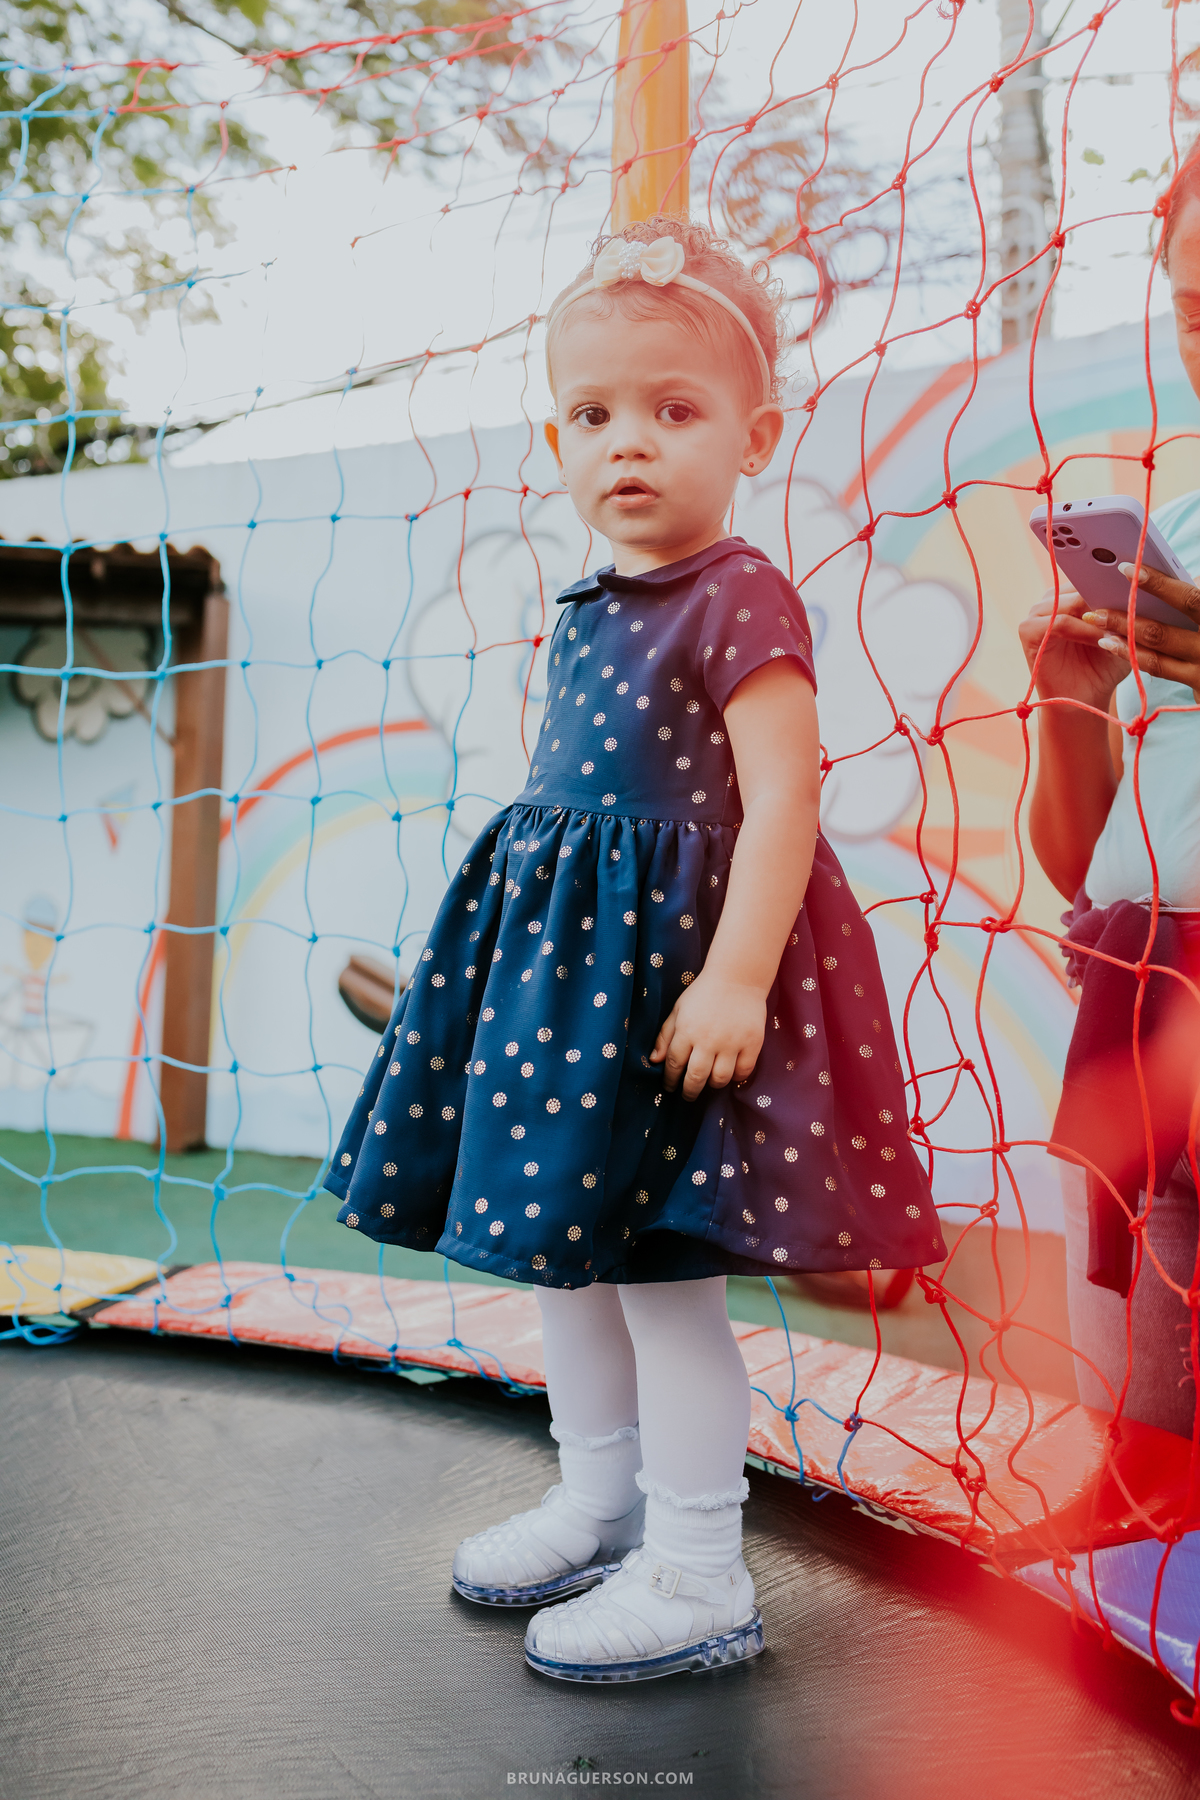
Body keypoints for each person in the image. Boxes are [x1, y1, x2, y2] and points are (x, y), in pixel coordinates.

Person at [326, 216, 943, 1682]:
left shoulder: (738, 593)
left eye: (674, 410)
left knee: (663, 1285)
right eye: (595, 416)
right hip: (572, 998)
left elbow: (783, 800)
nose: (631, 444)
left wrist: (733, 980)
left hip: (674, 998)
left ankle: (698, 1565)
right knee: (572, 1268)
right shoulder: (588, 607)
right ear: (558, 439)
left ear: (754, 435)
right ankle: (598, 1499)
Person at [1020, 148, 1200, 1439]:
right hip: (1144, 1009)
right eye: (1195, 308)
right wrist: (1070, 701)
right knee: (1139, 1422)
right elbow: (1083, 863)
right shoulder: (1177, 530)